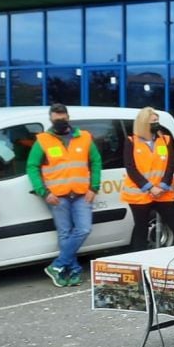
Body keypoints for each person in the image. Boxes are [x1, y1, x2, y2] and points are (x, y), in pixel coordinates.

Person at [27, 103, 102, 287]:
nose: (60, 120)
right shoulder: (43, 140)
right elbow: (32, 167)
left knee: (84, 229)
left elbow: (96, 161)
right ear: (51, 119)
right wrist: (43, 192)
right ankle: (73, 271)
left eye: (62, 117)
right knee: (65, 233)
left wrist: (94, 187)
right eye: (56, 118)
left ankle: (58, 265)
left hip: (81, 193)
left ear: (68, 117)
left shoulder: (84, 137)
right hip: (57, 196)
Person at [121, 107, 174, 251]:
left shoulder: (165, 140)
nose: (156, 124)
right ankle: (140, 262)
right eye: (152, 121)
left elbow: (171, 164)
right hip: (140, 195)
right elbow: (131, 168)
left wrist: (162, 186)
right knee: (141, 229)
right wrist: (150, 187)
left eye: (157, 121)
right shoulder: (131, 141)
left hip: (164, 193)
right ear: (143, 123)